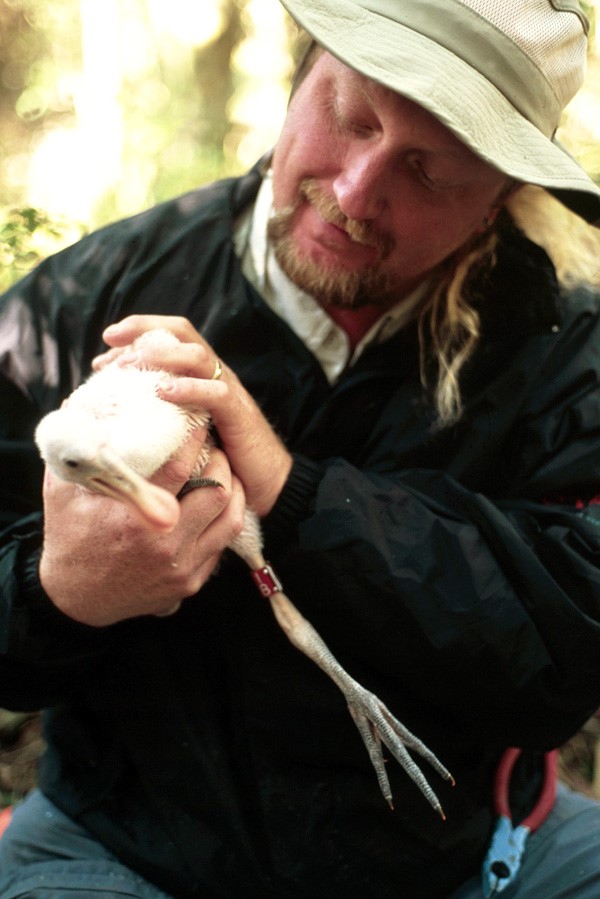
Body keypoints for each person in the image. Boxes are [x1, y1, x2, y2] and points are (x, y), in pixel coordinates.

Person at [1, 0, 600, 895]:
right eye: (349, 115)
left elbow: (565, 651)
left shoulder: (561, 345)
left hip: (462, 852)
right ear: (297, 77)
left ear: (499, 200)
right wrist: (59, 592)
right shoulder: (90, 295)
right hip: (126, 846)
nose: (356, 192)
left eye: (430, 170)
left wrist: (292, 489)